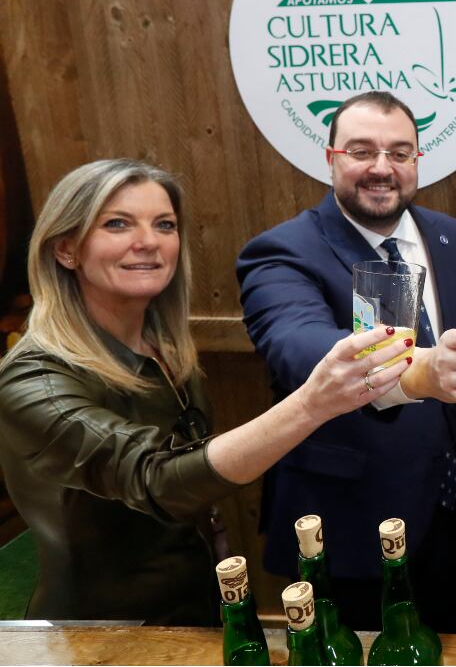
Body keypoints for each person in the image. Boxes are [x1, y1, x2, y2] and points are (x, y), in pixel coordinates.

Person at [0, 159, 412, 624]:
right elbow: (156, 480)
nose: (148, 241)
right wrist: (311, 404)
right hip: (102, 632)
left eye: (164, 225)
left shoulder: (162, 347)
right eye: (117, 224)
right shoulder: (33, 379)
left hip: (197, 609)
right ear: (66, 249)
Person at [236, 91, 456, 632]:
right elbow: (299, 348)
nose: (382, 168)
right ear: (331, 158)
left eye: (399, 152)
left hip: (449, 514)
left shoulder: (453, 237)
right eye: (362, 151)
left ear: (416, 159)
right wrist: (419, 372)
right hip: (349, 524)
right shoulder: (282, 250)